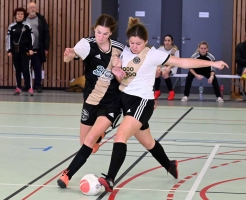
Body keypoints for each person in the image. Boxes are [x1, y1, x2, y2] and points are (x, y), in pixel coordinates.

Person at [98, 17, 228, 192]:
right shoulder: (125, 52)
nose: (135, 47)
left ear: (145, 41)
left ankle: (111, 179)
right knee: (149, 143)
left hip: (142, 102)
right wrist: (116, 70)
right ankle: (170, 165)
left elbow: (183, 62)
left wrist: (212, 63)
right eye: (132, 43)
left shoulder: (154, 54)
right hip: (125, 101)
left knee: (121, 135)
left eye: (139, 43)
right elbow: (117, 70)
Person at [56, 14, 177, 189]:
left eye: (105, 34)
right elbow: (69, 58)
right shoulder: (86, 44)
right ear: (94, 29)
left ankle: (67, 174)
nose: (101, 37)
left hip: (112, 102)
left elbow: (141, 61)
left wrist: (148, 94)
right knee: (145, 141)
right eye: (98, 32)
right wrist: (69, 54)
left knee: (91, 139)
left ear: (111, 33)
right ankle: (170, 165)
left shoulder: (121, 48)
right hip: (91, 100)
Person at [6, 7, 35, 96]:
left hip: (25, 51)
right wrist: (9, 50)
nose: (20, 15)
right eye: (18, 14)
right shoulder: (11, 26)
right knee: (17, 69)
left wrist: (30, 49)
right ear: (15, 16)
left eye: (21, 14)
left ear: (24, 16)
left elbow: (32, 38)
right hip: (15, 51)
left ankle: (30, 87)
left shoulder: (27, 26)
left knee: (26, 69)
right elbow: (8, 39)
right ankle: (18, 87)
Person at [26, 2, 50, 93]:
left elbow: (46, 34)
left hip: (38, 48)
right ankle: (27, 85)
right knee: (27, 68)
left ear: (36, 9)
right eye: (31, 8)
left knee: (37, 68)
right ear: (28, 10)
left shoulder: (41, 19)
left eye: (34, 7)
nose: (32, 9)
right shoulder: (25, 19)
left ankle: (38, 85)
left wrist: (46, 48)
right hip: (27, 49)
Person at [154, 35, 179, 100]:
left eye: (169, 40)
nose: (167, 42)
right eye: (165, 40)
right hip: (162, 66)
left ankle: (171, 92)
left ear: (171, 42)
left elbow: (176, 62)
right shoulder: (160, 49)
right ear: (164, 41)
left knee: (165, 73)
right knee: (157, 71)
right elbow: (157, 60)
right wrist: (158, 66)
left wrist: (168, 67)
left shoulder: (175, 50)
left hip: (172, 67)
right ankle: (157, 91)